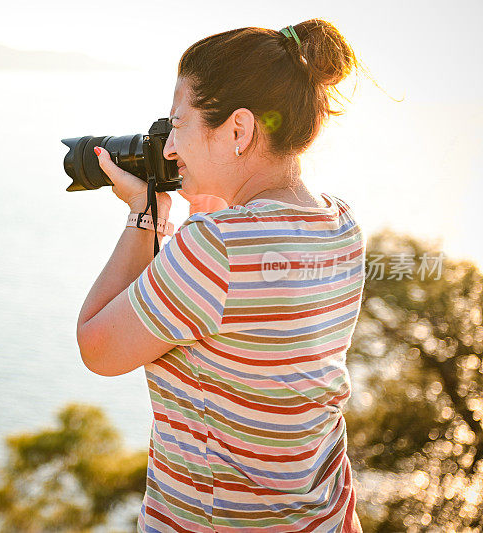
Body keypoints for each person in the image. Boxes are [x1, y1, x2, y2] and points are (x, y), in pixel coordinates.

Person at [76, 19, 366, 533]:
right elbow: (247, 324)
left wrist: (146, 214)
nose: (166, 147)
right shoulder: (340, 224)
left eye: (178, 124)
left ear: (238, 129)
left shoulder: (216, 246)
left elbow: (97, 347)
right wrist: (203, 188)